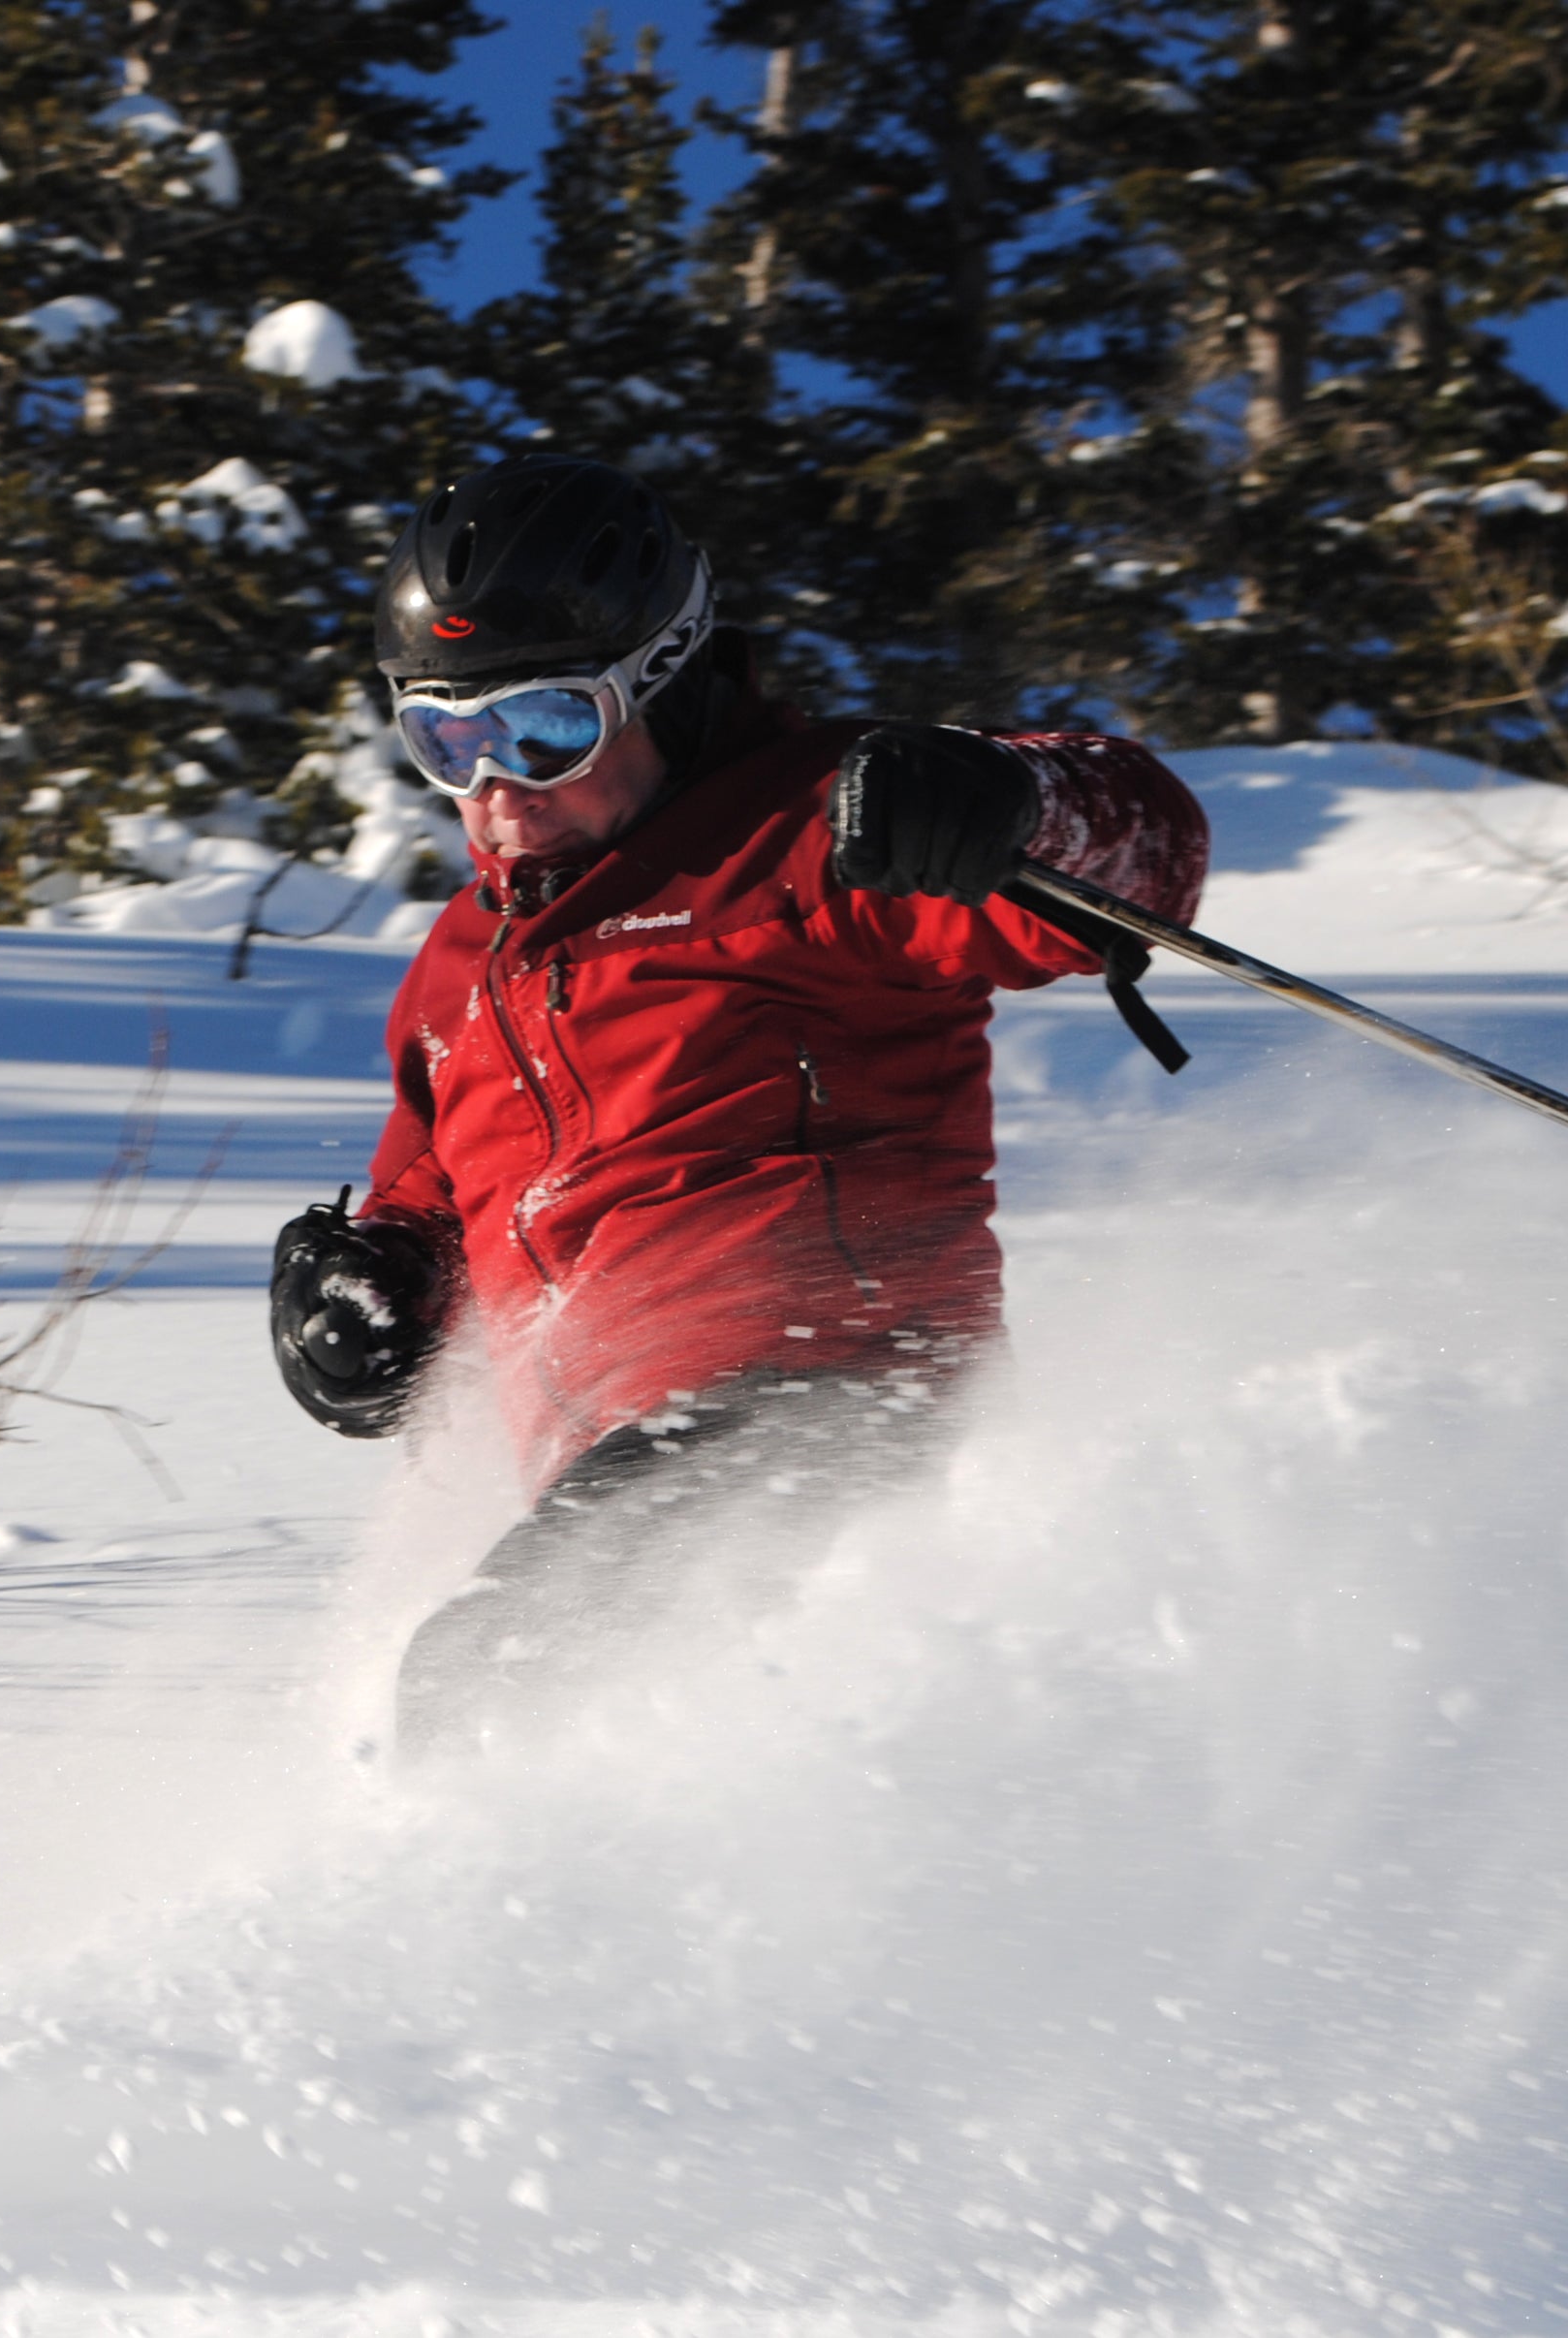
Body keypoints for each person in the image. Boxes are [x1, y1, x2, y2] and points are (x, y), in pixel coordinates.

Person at [268, 454, 1209, 1755]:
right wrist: (374, 1289)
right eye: (447, 739)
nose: (495, 787)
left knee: (495, 1690)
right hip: (617, 1464)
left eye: (545, 729)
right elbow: (438, 1192)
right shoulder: (454, 968)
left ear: (666, 681)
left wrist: (1020, 805)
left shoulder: (817, 829)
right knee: (587, 1730)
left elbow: (1141, 849)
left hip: (831, 1407)